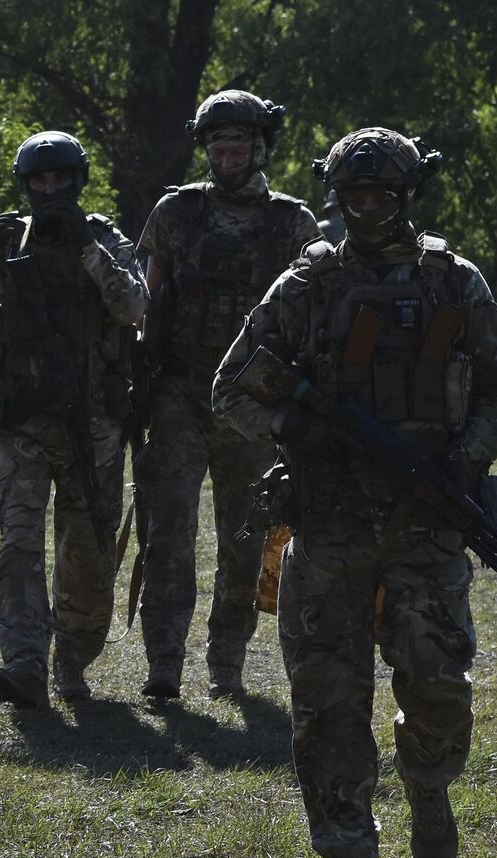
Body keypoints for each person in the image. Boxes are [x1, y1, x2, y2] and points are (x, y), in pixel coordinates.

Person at [213, 128, 497, 858]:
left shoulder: (455, 283)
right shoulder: (307, 285)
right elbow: (231, 389)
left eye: (382, 195)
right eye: (354, 197)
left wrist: (466, 461)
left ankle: (428, 785)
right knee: (326, 704)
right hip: (331, 525)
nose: (368, 208)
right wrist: (292, 426)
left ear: (407, 195)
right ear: (337, 199)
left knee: (439, 686)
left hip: (426, 523)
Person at [0, 131, 148, 709]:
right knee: (18, 546)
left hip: (92, 426)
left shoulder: (103, 237)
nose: (50, 191)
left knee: (88, 552)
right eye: (39, 181)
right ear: (25, 185)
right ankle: (25, 662)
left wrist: (87, 251)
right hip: (24, 424)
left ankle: (72, 666)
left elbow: (135, 308)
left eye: (59, 180)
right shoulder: (5, 241)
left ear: (78, 181)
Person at [133, 90, 321, 699]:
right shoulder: (176, 214)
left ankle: (226, 667)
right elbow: (144, 300)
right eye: (218, 142)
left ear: (260, 146)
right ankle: (164, 666)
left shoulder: (292, 224)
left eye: (239, 141)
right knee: (169, 534)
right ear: (205, 148)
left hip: (252, 406)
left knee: (245, 542)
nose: (228, 151)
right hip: (180, 392)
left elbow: (312, 322)